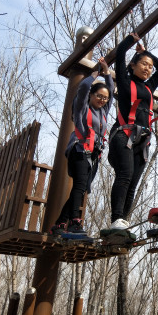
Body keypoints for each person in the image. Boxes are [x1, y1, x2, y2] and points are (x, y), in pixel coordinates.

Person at [108, 33, 158, 230]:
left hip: (142, 141)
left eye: (150, 66)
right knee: (125, 174)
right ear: (133, 65)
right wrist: (130, 41)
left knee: (133, 182)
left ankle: (122, 221)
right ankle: (116, 217)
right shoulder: (125, 81)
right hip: (123, 134)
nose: (148, 69)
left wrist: (146, 53)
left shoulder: (149, 87)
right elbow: (121, 54)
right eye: (144, 64)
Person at [50, 57, 114, 236]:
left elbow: (111, 92)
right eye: (99, 96)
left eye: (105, 98)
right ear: (91, 96)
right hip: (79, 149)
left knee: (82, 188)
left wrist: (107, 73)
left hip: (93, 155)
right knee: (79, 186)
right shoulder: (82, 108)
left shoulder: (103, 112)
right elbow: (84, 88)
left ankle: (60, 222)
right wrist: (95, 74)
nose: (102, 100)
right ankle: (75, 222)